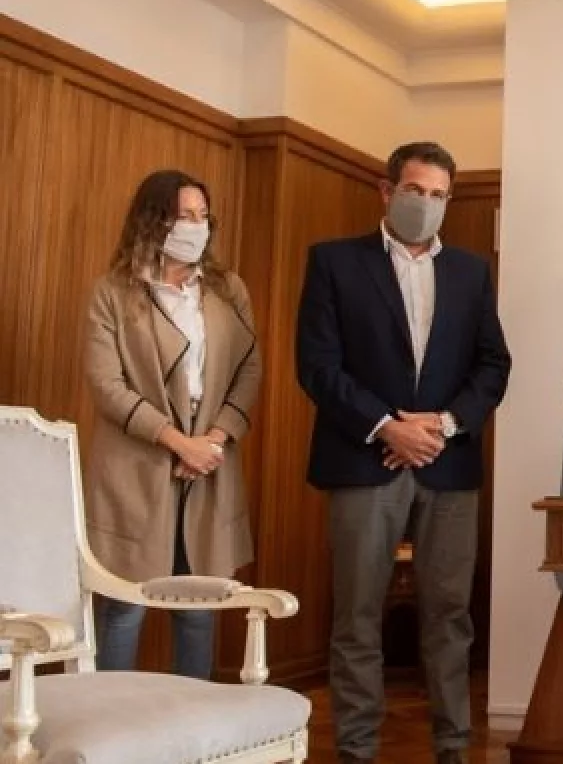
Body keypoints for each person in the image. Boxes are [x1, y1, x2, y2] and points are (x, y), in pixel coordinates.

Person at [296, 140, 512, 764]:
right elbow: (317, 366)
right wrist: (387, 426)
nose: (427, 203)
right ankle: (357, 750)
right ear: (387, 191)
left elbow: (492, 365)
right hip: (364, 461)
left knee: (450, 617)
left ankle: (453, 748)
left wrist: (442, 425)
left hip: (449, 464)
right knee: (357, 616)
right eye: (416, 190)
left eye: (439, 195)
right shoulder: (335, 262)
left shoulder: (471, 272)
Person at [82, 169, 262, 679]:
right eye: (185, 215)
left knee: (198, 605)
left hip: (210, 461)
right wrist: (179, 443)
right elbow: (107, 384)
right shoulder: (113, 292)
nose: (196, 226)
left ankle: (193, 722)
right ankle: (110, 721)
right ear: (153, 219)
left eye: (203, 216)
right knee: (125, 605)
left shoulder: (227, 289)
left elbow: (250, 368)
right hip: (135, 465)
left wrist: (212, 441)